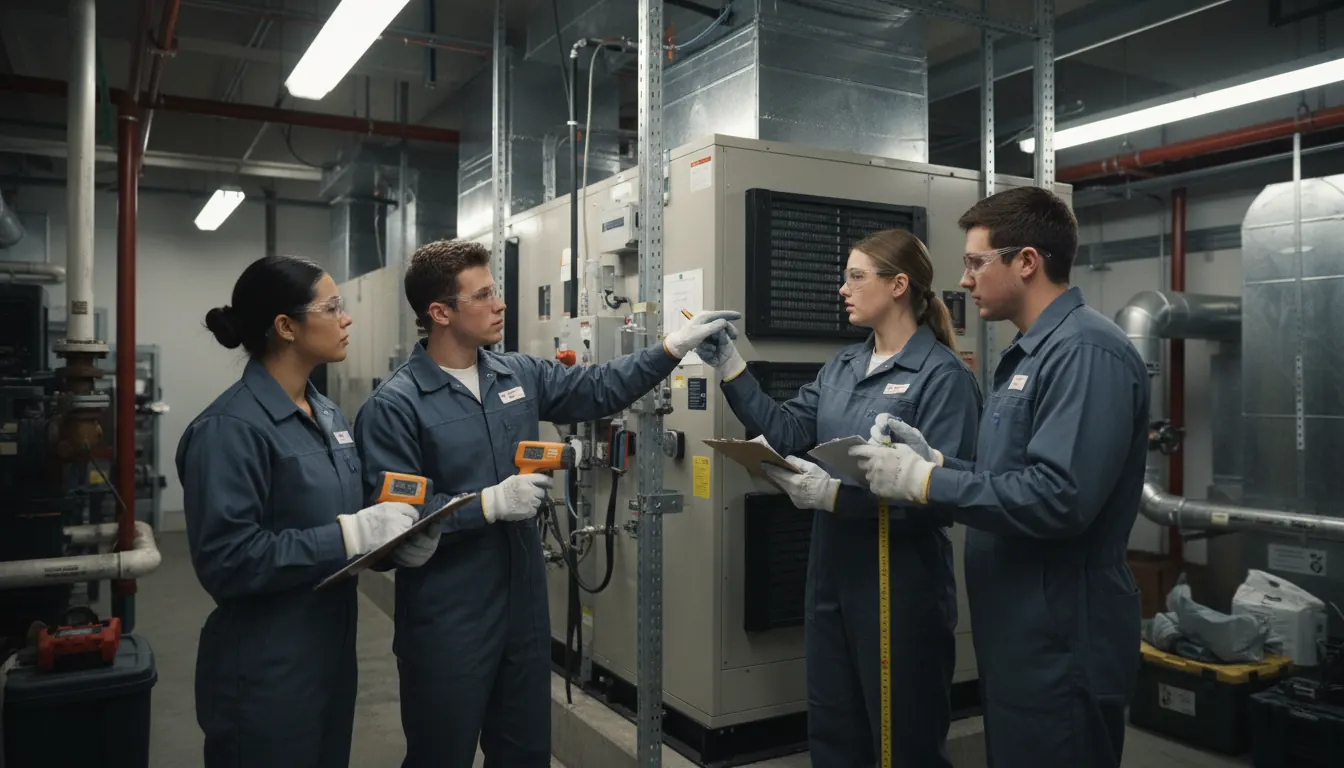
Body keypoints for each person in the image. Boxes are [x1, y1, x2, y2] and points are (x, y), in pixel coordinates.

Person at [352, 238, 738, 767]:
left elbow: (599, 388)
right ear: (439, 312)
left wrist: (670, 348)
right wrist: (486, 504)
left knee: (525, 753)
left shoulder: (517, 375)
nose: (500, 303)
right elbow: (392, 519)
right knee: (441, 755)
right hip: (448, 619)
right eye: (483, 294)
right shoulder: (396, 405)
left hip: (524, 611)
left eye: (496, 290)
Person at [849, 186, 1150, 768]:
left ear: (1027, 261)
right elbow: (1008, 476)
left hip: (1061, 633)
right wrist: (939, 464)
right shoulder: (1031, 354)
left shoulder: (1085, 352)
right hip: (1019, 628)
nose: (963, 281)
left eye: (975, 262)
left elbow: (1060, 498)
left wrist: (927, 484)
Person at [693, 229, 981, 767]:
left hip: (902, 585)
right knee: (834, 732)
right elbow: (784, 430)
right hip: (831, 578)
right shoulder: (843, 367)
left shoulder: (943, 377)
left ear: (899, 285)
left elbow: (943, 501)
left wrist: (833, 498)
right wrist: (731, 365)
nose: (841, 289)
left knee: (904, 742)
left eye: (855, 277)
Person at [177, 255, 437, 768]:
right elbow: (227, 561)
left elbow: (347, 519)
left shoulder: (328, 415)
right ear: (285, 327)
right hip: (263, 670)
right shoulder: (230, 429)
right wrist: (351, 533)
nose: (347, 318)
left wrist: (392, 543)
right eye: (333, 307)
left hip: (329, 657)